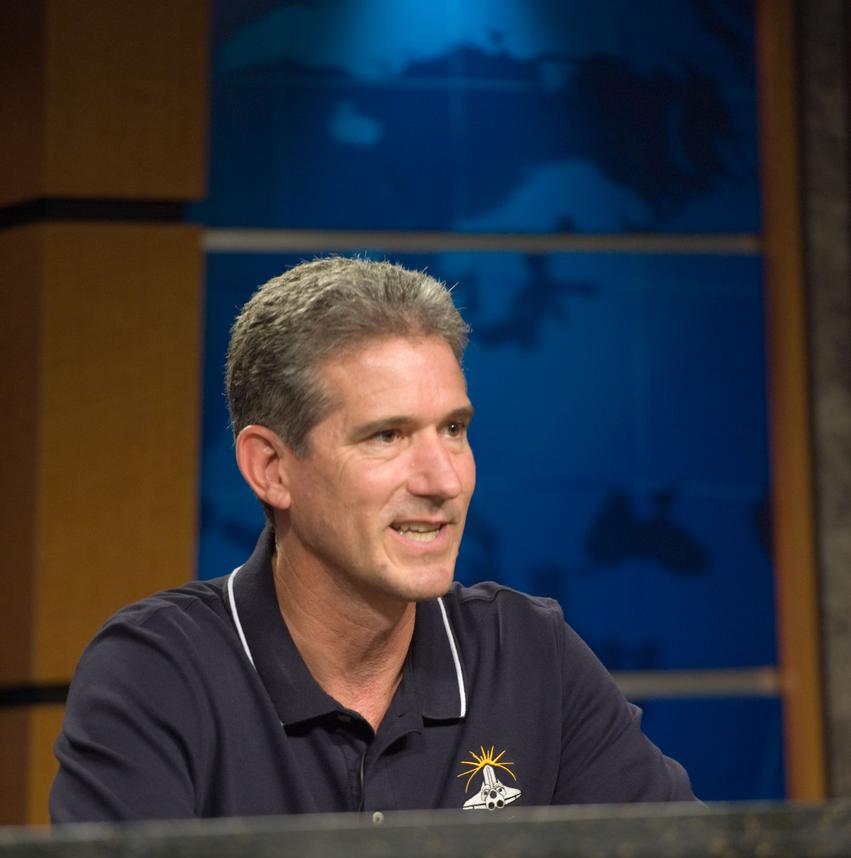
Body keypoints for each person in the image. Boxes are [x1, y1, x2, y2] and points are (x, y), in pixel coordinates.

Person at [50, 256, 695, 821]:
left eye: (453, 429)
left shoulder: (527, 655)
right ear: (271, 469)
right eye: (387, 436)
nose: (443, 479)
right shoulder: (156, 673)